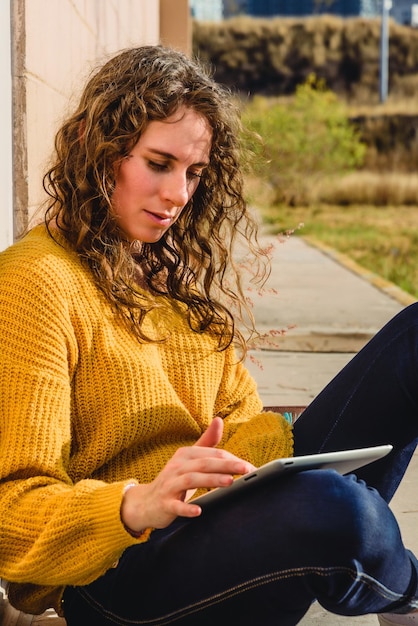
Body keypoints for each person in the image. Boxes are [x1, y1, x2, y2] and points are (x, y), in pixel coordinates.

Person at [0, 45, 417, 626]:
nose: (178, 195)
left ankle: (369, 566)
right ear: (98, 149)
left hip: (215, 529)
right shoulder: (34, 281)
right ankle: (404, 592)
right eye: (159, 163)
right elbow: (12, 511)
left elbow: (245, 427)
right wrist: (135, 503)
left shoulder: (166, 278)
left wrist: (277, 460)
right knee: (345, 512)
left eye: (194, 173)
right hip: (114, 578)